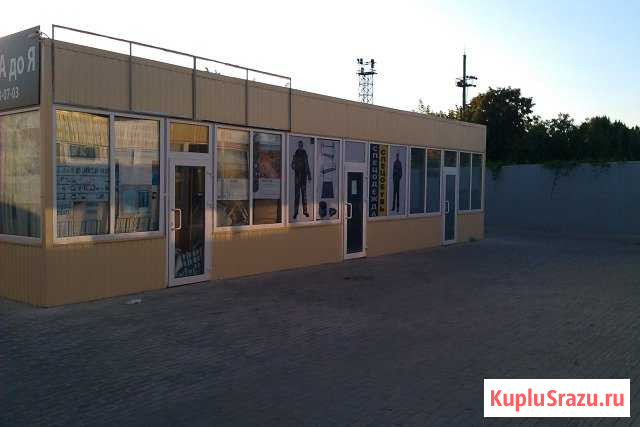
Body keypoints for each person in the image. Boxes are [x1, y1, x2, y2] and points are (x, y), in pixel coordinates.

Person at [291, 140, 311, 219]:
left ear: (302, 145)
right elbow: (292, 165)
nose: (300, 146)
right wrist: (294, 163)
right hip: (297, 177)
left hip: (303, 177)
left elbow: (307, 164)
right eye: (299, 145)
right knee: (297, 196)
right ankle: (296, 212)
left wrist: (309, 175)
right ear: (298, 145)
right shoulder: (296, 153)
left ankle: (305, 211)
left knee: (304, 195)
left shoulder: (304, 153)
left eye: (301, 145)